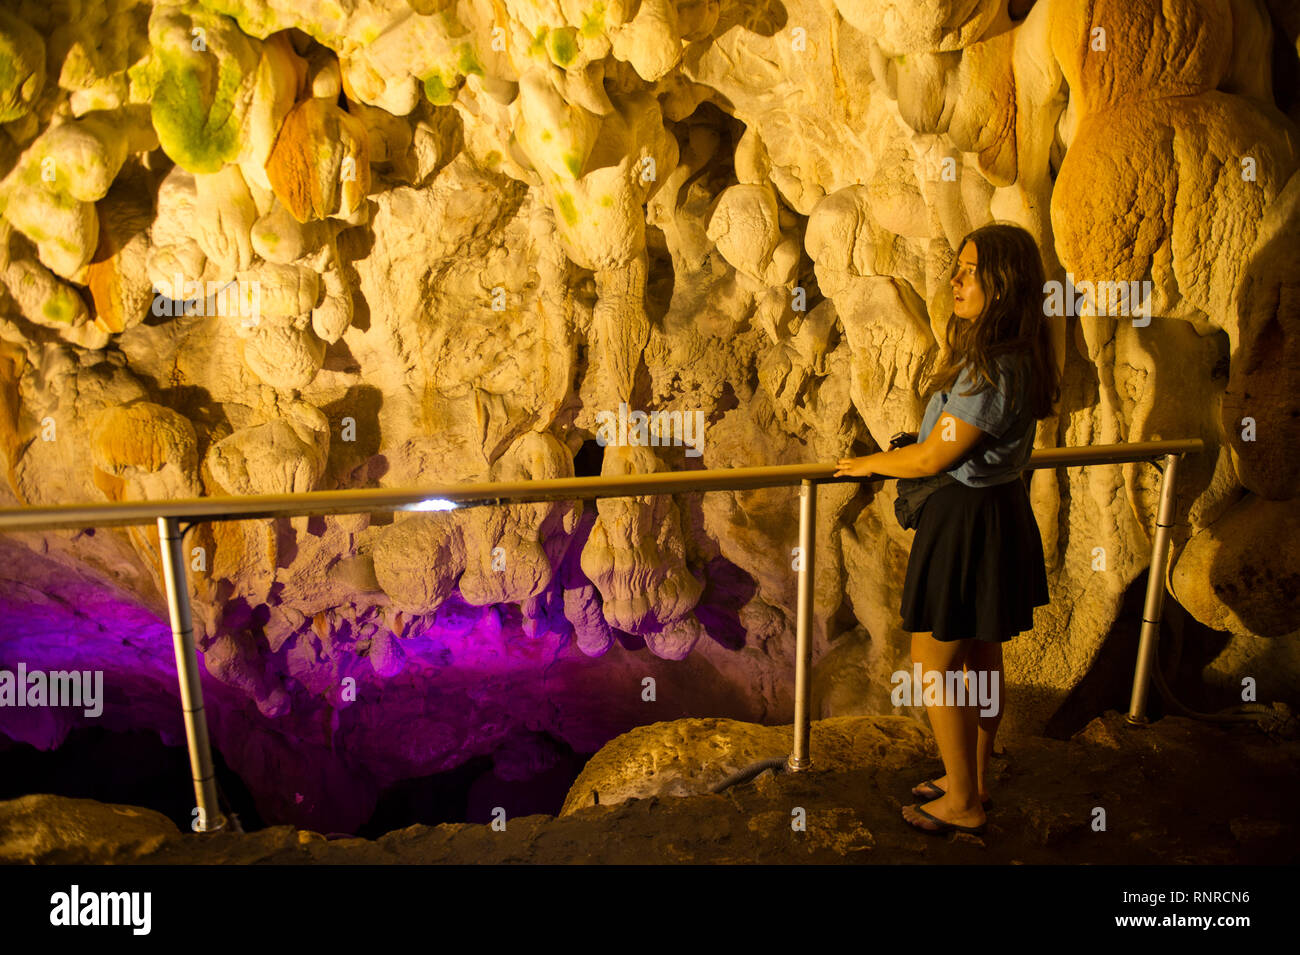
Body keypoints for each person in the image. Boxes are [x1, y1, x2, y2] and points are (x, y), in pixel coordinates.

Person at [833, 223, 1060, 835]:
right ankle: (976, 777)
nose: (955, 280)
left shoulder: (994, 369)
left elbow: (935, 457)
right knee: (982, 653)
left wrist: (868, 463)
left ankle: (962, 800)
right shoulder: (1019, 355)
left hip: (967, 520)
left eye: (969, 270)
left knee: (931, 659)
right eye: (957, 268)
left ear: (1003, 284)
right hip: (997, 512)